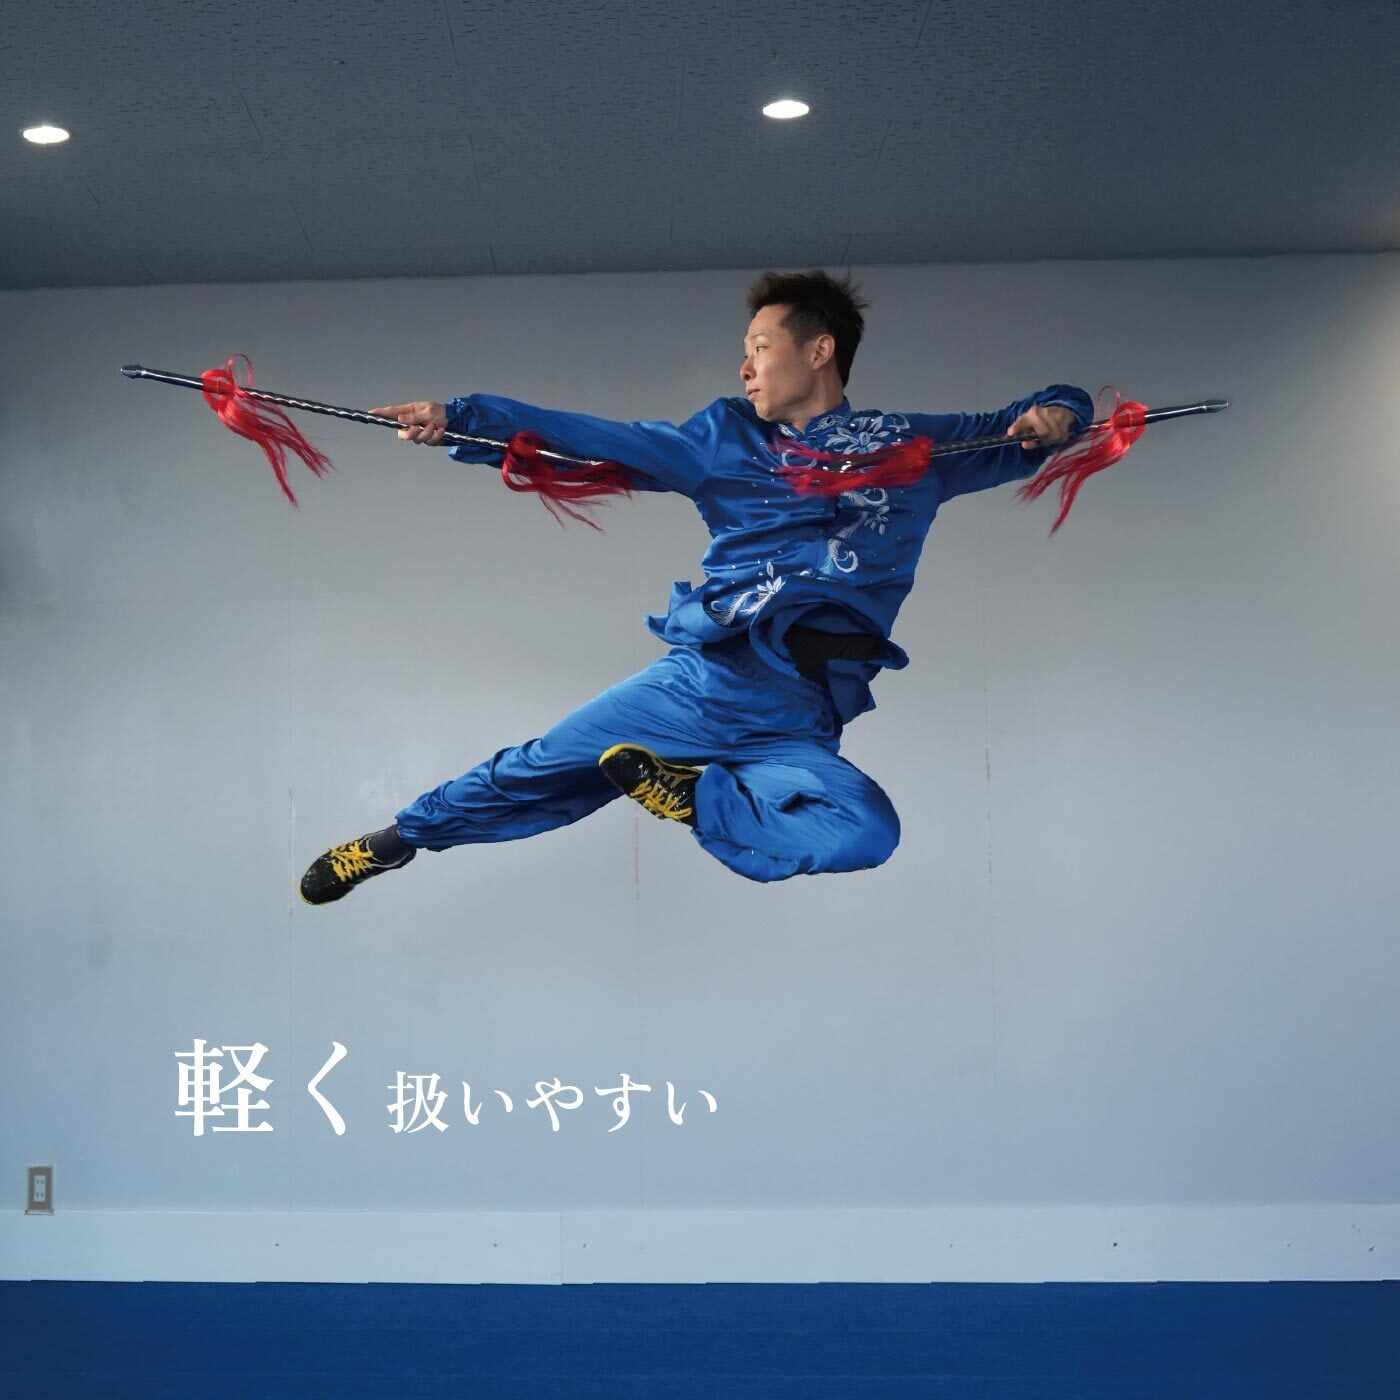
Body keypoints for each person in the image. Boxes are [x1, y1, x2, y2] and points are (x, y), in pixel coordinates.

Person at [299, 269, 1091, 902]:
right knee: (537, 767)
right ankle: (396, 840)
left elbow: (1028, 424)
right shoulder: (724, 441)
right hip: (702, 681)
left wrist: (1061, 412)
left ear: (818, 351)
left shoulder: (915, 449)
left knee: (866, 833)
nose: (745, 367)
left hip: (797, 719)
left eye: (761, 347)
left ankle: (690, 793)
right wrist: (465, 418)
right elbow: (596, 441)